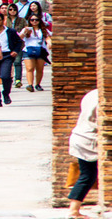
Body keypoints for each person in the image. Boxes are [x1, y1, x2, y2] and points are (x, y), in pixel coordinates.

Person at [67, 89, 98, 219]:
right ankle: (73, 211)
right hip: (89, 139)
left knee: (88, 175)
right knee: (87, 175)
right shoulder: (102, 98)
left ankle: (74, 210)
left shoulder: (92, 94)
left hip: (80, 136)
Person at [0, 13, 23, 107]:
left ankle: (6, 93)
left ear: (3, 20)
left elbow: (19, 41)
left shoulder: (10, 31)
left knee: (5, 76)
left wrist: (15, 51)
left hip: (6, 55)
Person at [19, 15, 52, 92]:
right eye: (32, 20)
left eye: (36, 20)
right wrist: (25, 32)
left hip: (40, 50)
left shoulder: (43, 30)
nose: (34, 21)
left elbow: (47, 37)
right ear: (29, 21)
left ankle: (37, 84)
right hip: (28, 50)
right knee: (30, 68)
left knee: (39, 68)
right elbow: (20, 38)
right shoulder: (26, 29)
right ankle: (30, 84)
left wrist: (49, 43)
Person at [6, 3, 27, 88]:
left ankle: (18, 79)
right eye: (10, 9)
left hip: (19, 43)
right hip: (7, 43)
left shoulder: (21, 20)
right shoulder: (5, 20)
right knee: (8, 62)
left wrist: (23, 34)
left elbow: (26, 28)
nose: (12, 11)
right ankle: (8, 78)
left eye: (14, 9)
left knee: (17, 62)